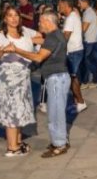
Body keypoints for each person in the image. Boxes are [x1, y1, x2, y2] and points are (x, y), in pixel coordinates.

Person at [10, 11, 72, 158]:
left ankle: (60, 144)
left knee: (55, 114)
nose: (38, 24)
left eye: (41, 22)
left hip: (57, 79)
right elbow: (43, 57)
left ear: (48, 22)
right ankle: (59, 140)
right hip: (58, 78)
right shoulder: (55, 35)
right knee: (55, 112)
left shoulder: (52, 37)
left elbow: (39, 57)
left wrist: (17, 50)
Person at [0, 6, 40, 156]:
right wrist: (4, 50)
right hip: (9, 78)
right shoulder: (0, 36)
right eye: (10, 16)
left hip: (24, 76)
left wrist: (35, 44)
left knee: (20, 110)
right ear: (5, 18)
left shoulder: (25, 31)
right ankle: (12, 148)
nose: (14, 18)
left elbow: (42, 37)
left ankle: (17, 141)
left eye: (16, 15)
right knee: (12, 111)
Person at [58, 0, 87, 112]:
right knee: (73, 78)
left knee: (72, 79)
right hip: (75, 50)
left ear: (66, 5)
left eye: (60, 5)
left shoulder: (71, 18)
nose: (58, 7)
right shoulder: (72, 16)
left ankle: (81, 102)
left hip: (73, 52)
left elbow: (66, 37)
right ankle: (77, 102)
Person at [78, 0, 97, 88]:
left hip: (89, 40)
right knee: (92, 61)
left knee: (87, 62)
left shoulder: (88, 13)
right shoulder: (89, 11)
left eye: (79, 3)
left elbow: (83, 28)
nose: (78, 5)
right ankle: (95, 81)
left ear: (85, 2)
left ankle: (86, 81)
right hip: (93, 40)